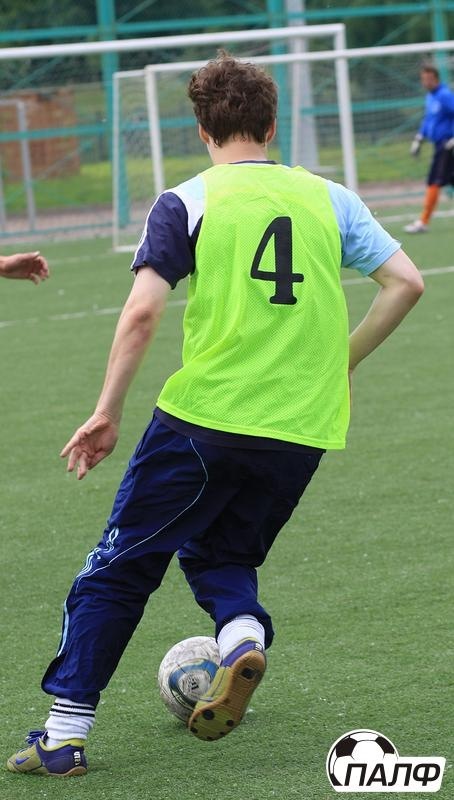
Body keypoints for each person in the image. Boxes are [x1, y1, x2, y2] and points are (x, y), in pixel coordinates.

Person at [7, 52, 424, 778]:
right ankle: (239, 639)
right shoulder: (330, 197)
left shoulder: (187, 200)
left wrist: (106, 411)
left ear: (202, 129)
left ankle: (63, 735)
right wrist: (340, 363)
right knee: (222, 556)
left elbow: (142, 312)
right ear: (272, 125)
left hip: (205, 420)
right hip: (301, 427)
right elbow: (406, 283)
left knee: (118, 568)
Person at [404, 64, 454, 233]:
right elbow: (428, 121)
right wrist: (419, 139)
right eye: (423, 79)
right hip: (439, 144)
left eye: (429, 79)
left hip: (447, 145)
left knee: (434, 180)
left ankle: (423, 221)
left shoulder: (444, 95)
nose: (426, 82)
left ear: (436, 79)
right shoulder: (430, 97)